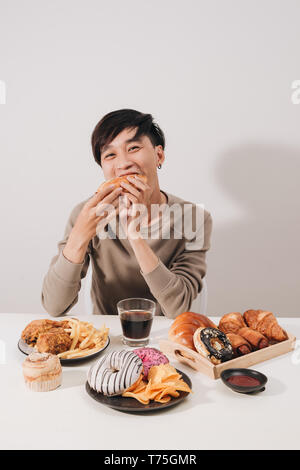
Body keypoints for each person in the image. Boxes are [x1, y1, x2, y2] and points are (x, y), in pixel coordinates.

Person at [41, 109, 213, 318]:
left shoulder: (194, 219)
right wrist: (79, 235)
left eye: (133, 148)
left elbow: (178, 308)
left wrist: (135, 235)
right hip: (105, 339)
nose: (123, 164)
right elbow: (53, 306)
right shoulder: (88, 214)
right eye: (110, 154)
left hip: (165, 336)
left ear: (158, 155)